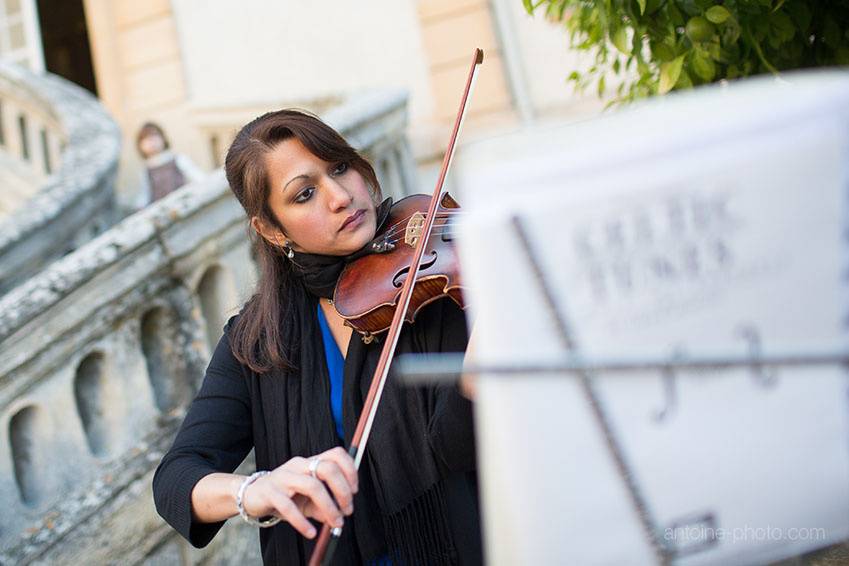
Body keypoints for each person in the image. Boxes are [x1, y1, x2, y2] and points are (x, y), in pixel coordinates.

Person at [152, 109, 481, 565]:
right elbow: (175, 480)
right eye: (305, 193)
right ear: (270, 229)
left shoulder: (431, 286)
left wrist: (488, 340)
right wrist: (255, 488)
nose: (340, 196)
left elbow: (460, 447)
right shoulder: (257, 343)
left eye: (340, 167)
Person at [134, 122, 204, 209]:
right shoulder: (146, 171)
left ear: (163, 138)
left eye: (154, 135)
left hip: (183, 206)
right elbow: (143, 198)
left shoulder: (178, 159)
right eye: (145, 138)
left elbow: (199, 178)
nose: (151, 141)